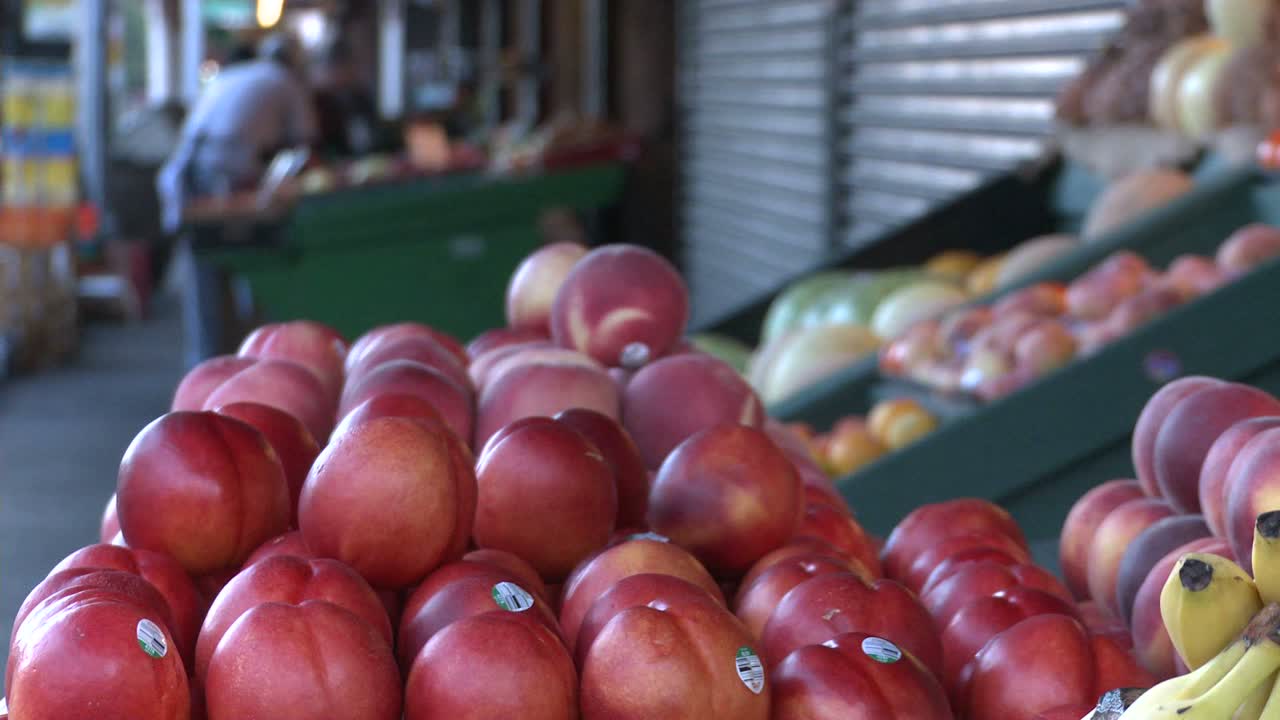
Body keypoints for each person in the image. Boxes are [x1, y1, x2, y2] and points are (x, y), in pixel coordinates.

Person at [156, 32, 318, 233]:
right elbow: (306, 140)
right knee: (240, 233)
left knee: (206, 238)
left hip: (189, 164)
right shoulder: (285, 79)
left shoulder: (232, 74)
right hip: (231, 166)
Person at [311, 38, 379, 159]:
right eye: (338, 68)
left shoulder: (360, 96)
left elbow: (371, 131)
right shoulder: (321, 101)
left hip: (366, 157)